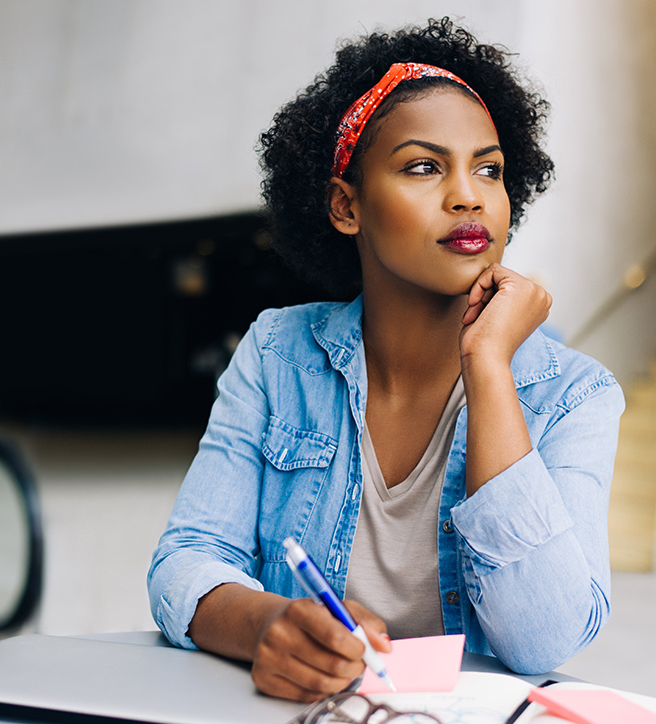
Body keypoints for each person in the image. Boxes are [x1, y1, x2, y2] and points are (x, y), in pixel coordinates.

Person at [148, 18, 624, 703]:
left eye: (488, 169)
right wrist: (267, 624)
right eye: (424, 166)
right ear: (347, 206)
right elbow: (186, 560)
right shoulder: (279, 354)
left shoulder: (577, 395)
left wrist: (489, 368)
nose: (468, 195)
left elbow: (542, 640)